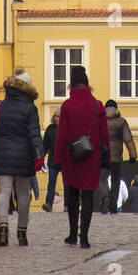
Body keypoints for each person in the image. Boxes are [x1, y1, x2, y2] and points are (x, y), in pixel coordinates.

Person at [0, 69, 43, 246]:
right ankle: (22, 232)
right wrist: (39, 153)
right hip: (24, 155)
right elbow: (34, 134)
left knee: (4, 191)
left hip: (2, 153)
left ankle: (3, 228)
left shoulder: (0, 106)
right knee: (24, 193)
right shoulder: (30, 108)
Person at [54, 65, 109, 248]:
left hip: (72, 157)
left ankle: (71, 234)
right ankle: (84, 237)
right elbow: (104, 134)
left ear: (71, 84)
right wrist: (106, 155)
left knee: (72, 195)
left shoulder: (67, 106)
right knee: (87, 196)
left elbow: (61, 134)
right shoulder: (97, 105)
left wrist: (58, 158)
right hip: (91, 157)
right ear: (87, 84)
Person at [104, 99, 137, 214]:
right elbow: (128, 139)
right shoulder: (121, 122)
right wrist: (133, 154)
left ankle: (104, 199)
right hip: (116, 157)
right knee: (115, 181)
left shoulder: (99, 121)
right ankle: (113, 205)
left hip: (102, 156)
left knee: (102, 179)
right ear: (116, 109)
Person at [41, 110, 61, 211]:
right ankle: (49, 203)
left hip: (65, 160)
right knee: (52, 182)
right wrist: (41, 158)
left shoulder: (66, 128)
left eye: (59, 116)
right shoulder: (50, 129)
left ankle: (67, 205)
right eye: (56, 116)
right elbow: (45, 145)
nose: (57, 118)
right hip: (53, 160)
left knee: (67, 184)